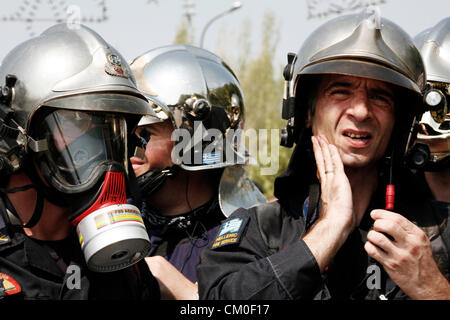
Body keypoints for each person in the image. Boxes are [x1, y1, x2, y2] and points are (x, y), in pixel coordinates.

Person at [196, 9, 450, 300]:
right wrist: (326, 232)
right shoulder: (260, 229)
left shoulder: (439, 233)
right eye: (340, 91)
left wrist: (433, 288)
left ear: (400, 123)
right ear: (306, 113)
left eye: (380, 97)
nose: (361, 111)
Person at [0, 24, 160, 299]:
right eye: (77, 123)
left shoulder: (124, 268)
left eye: (111, 133)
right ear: (17, 138)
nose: (105, 159)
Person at [129, 44, 266, 299]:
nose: (130, 150)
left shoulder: (255, 234)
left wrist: (187, 295)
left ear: (194, 143)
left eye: (145, 134)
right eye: (126, 134)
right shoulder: (118, 225)